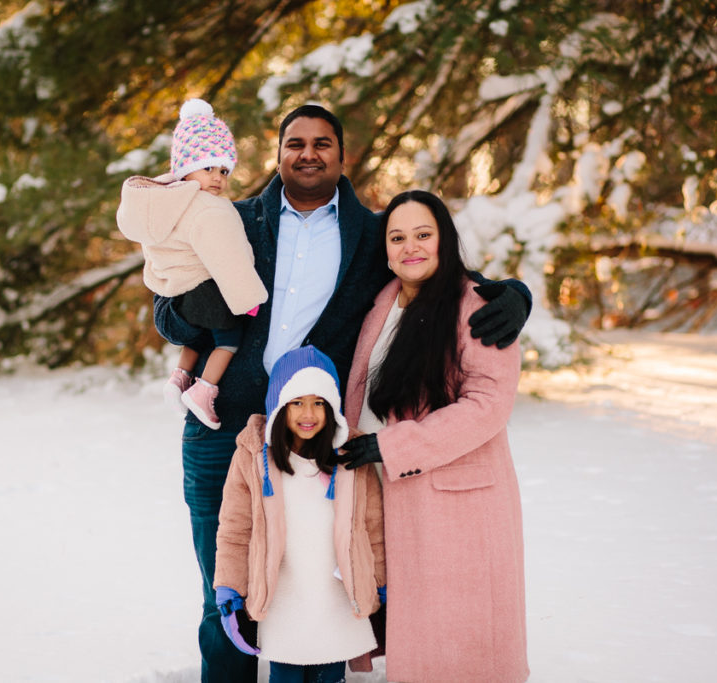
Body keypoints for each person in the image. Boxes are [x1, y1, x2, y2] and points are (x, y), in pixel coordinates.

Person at [152, 103, 531, 683]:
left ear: (342, 154)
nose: (308, 153)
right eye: (295, 142)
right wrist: (198, 306)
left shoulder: (374, 234)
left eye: (322, 142)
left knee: (314, 585)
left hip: (317, 440)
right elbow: (167, 311)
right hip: (224, 427)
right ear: (276, 153)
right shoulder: (229, 219)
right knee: (226, 588)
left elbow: (433, 265)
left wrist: (513, 294)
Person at [334, 189, 529, 682]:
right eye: (397, 237)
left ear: (445, 238)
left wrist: (392, 445)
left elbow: (488, 406)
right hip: (387, 488)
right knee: (416, 634)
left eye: (423, 234)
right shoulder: (383, 300)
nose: (410, 247)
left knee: (458, 644)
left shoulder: (476, 306)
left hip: (457, 501)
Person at [213, 345, 385, 683]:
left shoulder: (352, 458)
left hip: (334, 597)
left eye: (319, 403)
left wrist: (379, 582)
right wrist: (230, 588)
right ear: (279, 406)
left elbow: (373, 527)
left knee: (329, 672)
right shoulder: (253, 458)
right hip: (284, 596)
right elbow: (234, 529)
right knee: (286, 673)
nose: (309, 413)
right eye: (297, 402)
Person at [117, 98, 267, 430]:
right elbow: (230, 259)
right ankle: (204, 390)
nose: (218, 179)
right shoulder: (210, 209)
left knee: (199, 336)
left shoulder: (161, 202)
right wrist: (250, 302)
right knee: (228, 339)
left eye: (224, 170)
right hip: (206, 289)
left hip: (176, 294)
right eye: (208, 168)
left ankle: (180, 376)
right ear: (186, 168)